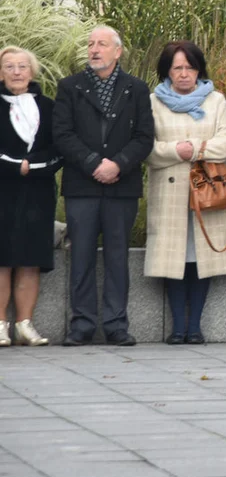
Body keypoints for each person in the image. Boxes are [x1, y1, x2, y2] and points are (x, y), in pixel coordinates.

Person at [54, 26, 154, 347]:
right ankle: (81, 325)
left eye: (102, 44)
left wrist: (118, 164)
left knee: (117, 257)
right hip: (82, 185)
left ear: (117, 51)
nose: (94, 49)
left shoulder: (136, 89)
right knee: (80, 256)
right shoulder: (70, 87)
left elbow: (144, 137)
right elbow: (62, 134)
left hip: (121, 187)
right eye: (91, 44)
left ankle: (115, 324)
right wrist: (94, 163)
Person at [145, 42, 226, 344]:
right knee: (173, 258)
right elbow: (147, 148)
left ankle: (195, 327)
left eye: (190, 67)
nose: (184, 74)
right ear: (167, 71)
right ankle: (177, 328)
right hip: (169, 191)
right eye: (177, 68)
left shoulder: (215, 101)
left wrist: (195, 149)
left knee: (203, 256)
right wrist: (176, 150)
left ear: (199, 70)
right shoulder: (152, 102)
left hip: (208, 190)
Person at [0, 47, 63, 347]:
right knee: (1, 259)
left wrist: (33, 166)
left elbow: (59, 147)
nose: (16, 72)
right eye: (9, 66)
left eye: (22, 66)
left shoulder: (50, 107)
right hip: (2, 189)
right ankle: (0, 325)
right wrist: (14, 166)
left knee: (30, 259)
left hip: (38, 191)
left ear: (32, 71)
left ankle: (25, 324)